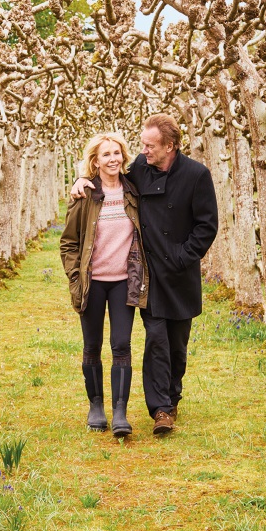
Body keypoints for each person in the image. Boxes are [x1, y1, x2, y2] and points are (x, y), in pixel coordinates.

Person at [71, 114, 218, 436]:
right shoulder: (139, 168)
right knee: (155, 341)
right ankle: (160, 409)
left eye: (150, 146)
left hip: (180, 276)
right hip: (147, 276)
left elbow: (207, 226)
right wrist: (81, 181)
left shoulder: (197, 175)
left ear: (170, 146)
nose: (143, 151)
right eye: (142, 145)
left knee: (177, 346)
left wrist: (181, 257)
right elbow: (107, 179)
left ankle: (172, 396)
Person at [60, 133, 149, 437]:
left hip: (124, 281)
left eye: (117, 153)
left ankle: (120, 413)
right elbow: (68, 243)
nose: (113, 159)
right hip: (93, 283)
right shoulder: (85, 195)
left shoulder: (133, 192)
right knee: (92, 345)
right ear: (95, 161)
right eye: (106, 154)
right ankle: (96, 406)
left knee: (122, 345)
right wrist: (76, 279)